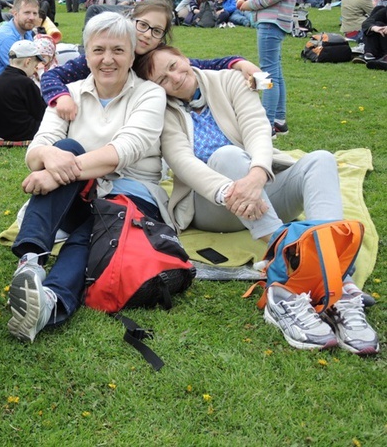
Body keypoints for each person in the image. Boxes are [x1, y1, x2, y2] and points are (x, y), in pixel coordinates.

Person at [133, 45, 379, 355]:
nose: (174, 77)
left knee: (320, 159)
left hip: (259, 191)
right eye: (162, 79)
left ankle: (334, 275)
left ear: (184, 57)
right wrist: (232, 190)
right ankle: (289, 258)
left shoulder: (230, 80)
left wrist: (258, 175)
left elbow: (257, 130)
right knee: (227, 155)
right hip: (214, 205)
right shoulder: (163, 111)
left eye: (174, 65)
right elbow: (183, 163)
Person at [6, 12, 169, 343]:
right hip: (80, 192)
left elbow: (124, 150)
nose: (107, 59)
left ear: (132, 51)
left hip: (131, 197)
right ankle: (30, 262)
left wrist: (57, 174)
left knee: (93, 230)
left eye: (118, 50)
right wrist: (49, 158)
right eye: (98, 50)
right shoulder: (70, 94)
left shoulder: (150, 95)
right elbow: (36, 149)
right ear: (86, 52)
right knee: (63, 146)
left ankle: (49, 304)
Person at [41, 0, 260, 120]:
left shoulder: (158, 60)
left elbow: (203, 65)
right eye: (143, 25)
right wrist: (62, 97)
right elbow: (52, 76)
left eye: (156, 31)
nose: (146, 34)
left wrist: (239, 63)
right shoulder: (104, 55)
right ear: (131, 20)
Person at [237, 0, 301, 136]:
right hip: (271, 19)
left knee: (267, 72)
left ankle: (267, 125)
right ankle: (279, 121)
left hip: (271, 20)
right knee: (275, 70)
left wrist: (252, 4)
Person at [0, 40, 47, 141]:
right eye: (35, 65)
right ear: (28, 62)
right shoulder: (26, 83)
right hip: (27, 131)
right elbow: (41, 113)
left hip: (3, 132)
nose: (35, 69)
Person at [0, 0, 39, 77]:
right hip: (0, 86)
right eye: (27, 13)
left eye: (35, 13)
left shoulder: (26, 31)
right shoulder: (6, 38)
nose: (32, 17)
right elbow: (22, 72)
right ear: (15, 14)